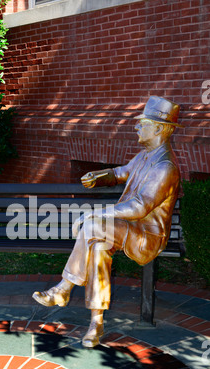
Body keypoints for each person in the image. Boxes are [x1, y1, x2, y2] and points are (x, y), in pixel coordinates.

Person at [32, 96, 182, 347]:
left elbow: (139, 206)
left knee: (93, 226)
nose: (136, 127)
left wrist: (96, 213)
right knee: (98, 247)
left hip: (147, 237)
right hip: (128, 229)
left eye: (141, 123)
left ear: (158, 128)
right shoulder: (146, 156)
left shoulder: (165, 166)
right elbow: (121, 172)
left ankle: (63, 288)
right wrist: (99, 176)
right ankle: (95, 323)